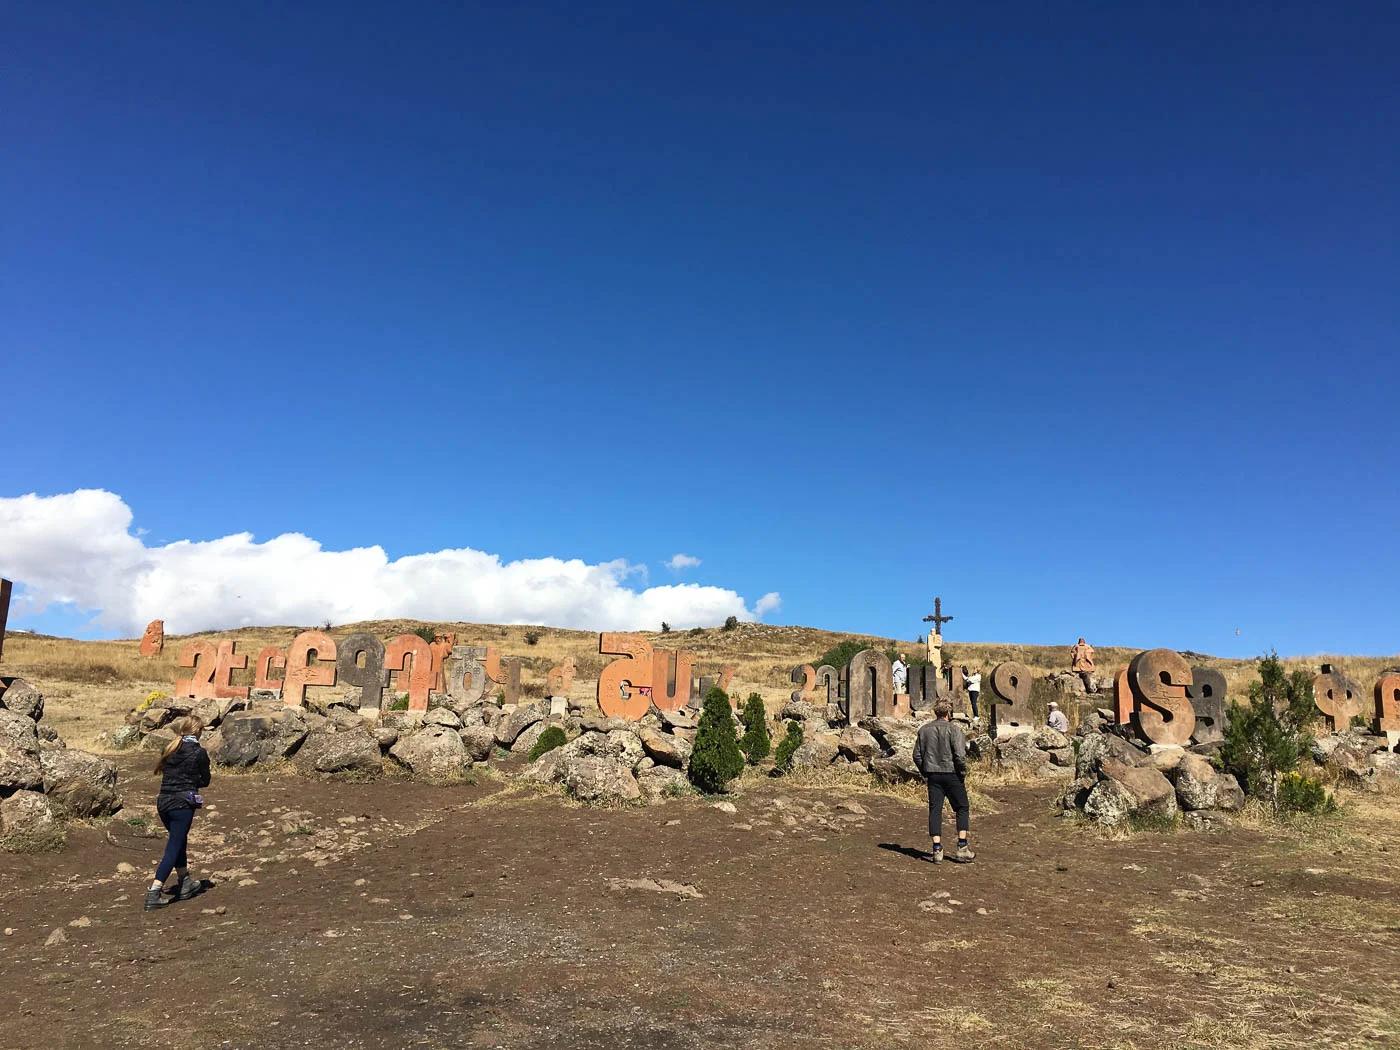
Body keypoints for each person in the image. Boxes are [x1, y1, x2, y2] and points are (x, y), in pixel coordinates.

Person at [145, 715, 211, 912]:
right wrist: (192, 781)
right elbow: (206, 780)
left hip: (163, 802)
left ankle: (185, 881)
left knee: (178, 840)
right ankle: (154, 891)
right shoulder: (199, 752)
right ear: (198, 731)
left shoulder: (170, 748)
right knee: (173, 846)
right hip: (182, 804)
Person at [912, 701, 974, 863]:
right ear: (949, 713)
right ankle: (962, 847)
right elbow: (960, 755)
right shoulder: (954, 730)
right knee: (962, 807)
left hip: (933, 774)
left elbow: (916, 755)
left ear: (936, 712)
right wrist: (962, 772)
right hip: (952, 774)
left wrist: (925, 771)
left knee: (935, 810)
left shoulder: (924, 730)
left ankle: (937, 849)